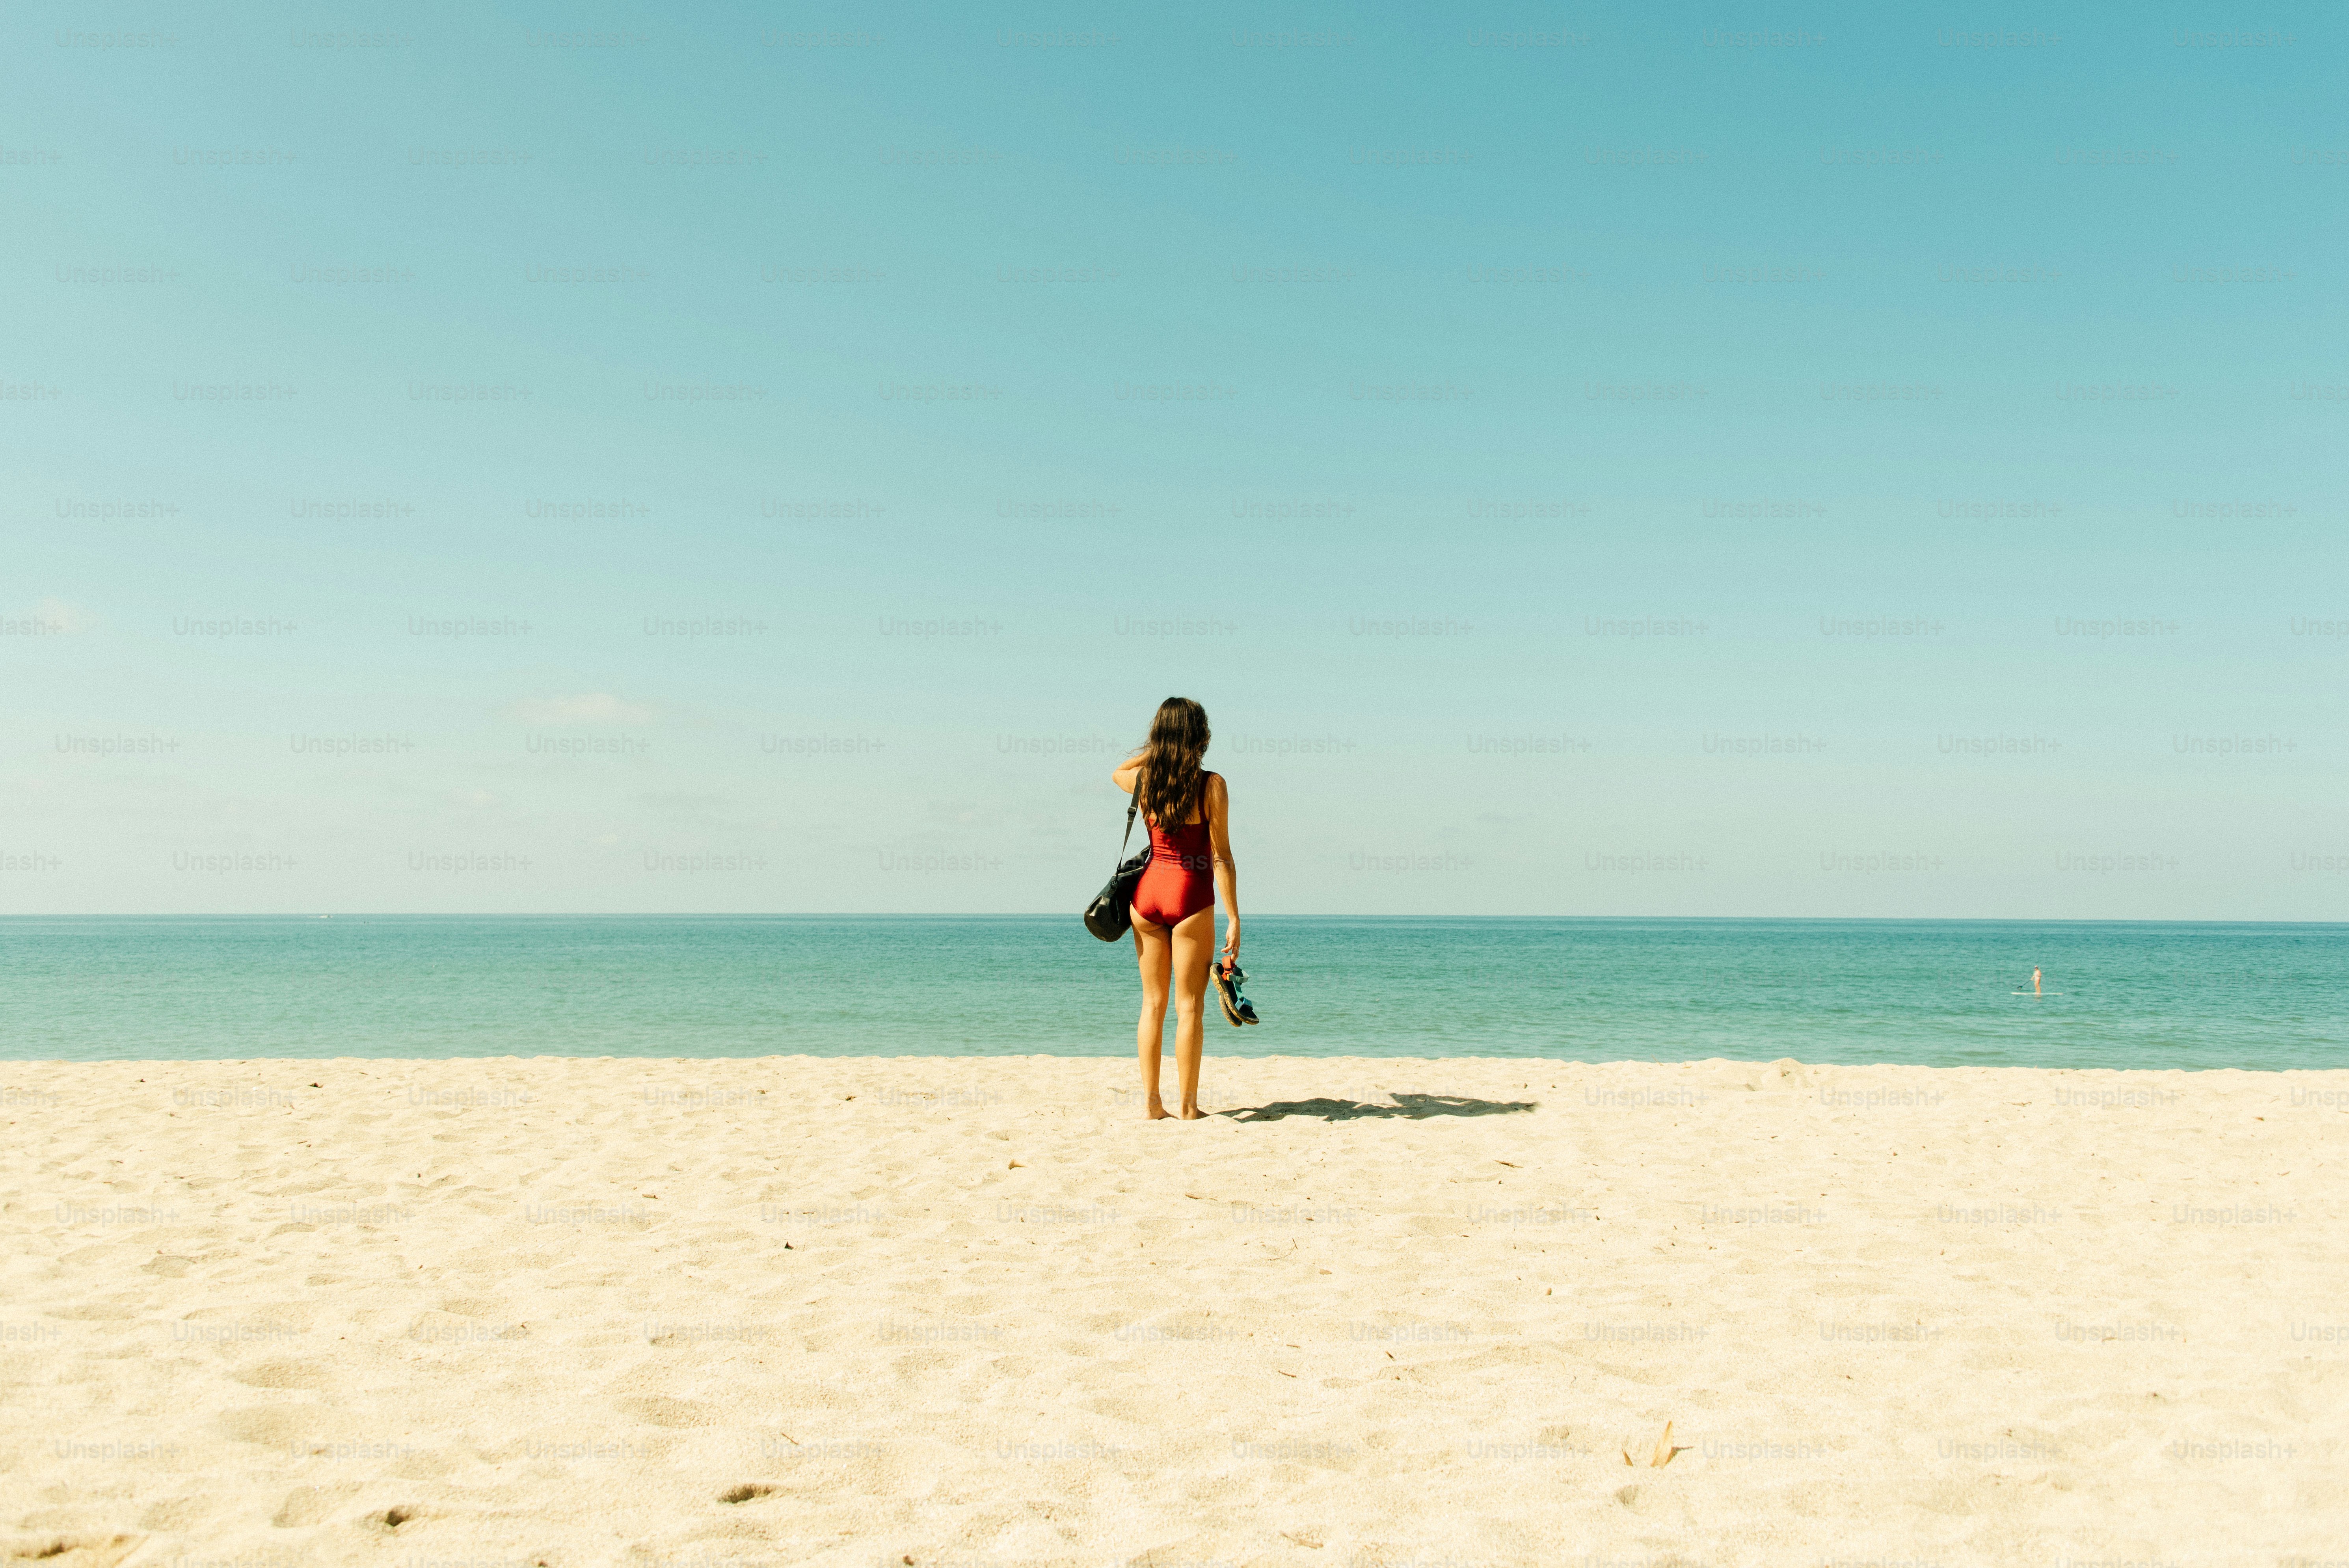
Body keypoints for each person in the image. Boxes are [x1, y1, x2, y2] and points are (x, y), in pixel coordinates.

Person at [1111, 698, 1238, 1120]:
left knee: (1152, 1004)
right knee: (1189, 1007)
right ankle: (1187, 1107)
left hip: (1146, 896)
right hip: (1189, 895)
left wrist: (1158, 748)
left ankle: (1151, 1104)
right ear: (1200, 736)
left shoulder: (1145, 781)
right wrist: (1234, 917)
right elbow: (1220, 857)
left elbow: (1118, 770)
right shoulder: (1211, 784)